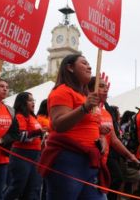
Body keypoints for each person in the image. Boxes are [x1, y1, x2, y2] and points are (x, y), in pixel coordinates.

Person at [39, 54, 105, 200]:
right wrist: (85, 108)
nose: (89, 66)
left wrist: (101, 138)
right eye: (84, 63)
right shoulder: (62, 91)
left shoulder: (86, 96)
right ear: (70, 67)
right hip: (68, 161)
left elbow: (91, 126)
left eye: (89, 63)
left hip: (90, 161)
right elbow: (58, 124)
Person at [88, 76, 140, 200]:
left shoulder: (106, 113)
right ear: (90, 89)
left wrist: (130, 156)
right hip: (87, 164)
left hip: (102, 164)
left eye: (106, 87)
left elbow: (114, 139)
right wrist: (97, 130)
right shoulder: (84, 109)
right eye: (101, 86)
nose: (106, 89)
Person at [3, 92, 44, 200]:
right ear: (23, 103)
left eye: (33, 100)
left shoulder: (32, 117)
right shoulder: (20, 116)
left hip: (35, 155)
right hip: (21, 155)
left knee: (34, 187)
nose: (33, 102)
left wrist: (42, 134)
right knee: (17, 187)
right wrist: (39, 132)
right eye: (30, 100)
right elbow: (20, 136)